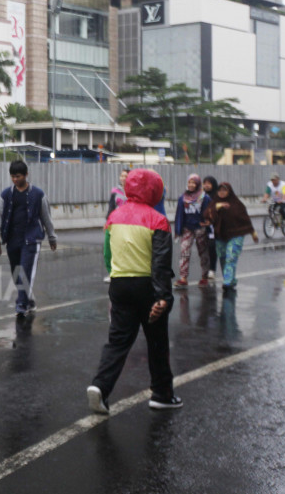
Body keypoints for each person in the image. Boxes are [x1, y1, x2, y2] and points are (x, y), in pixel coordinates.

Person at [87, 168, 182, 415]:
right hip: (147, 286)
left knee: (118, 341)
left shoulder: (114, 217)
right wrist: (163, 297)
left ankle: (100, 386)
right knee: (157, 342)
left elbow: (107, 253)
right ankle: (162, 394)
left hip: (119, 284)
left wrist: (115, 274)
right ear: (154, 190)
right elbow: (160, 264)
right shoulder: (158, 220)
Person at [0, 160, 57, 317]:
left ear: (26, 175)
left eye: (18, 176)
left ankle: (21, 305)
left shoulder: (38, 194)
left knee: (24, 272)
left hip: (31, 240)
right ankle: (29, 300)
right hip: (12, 240)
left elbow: (46, 217)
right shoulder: (6, 195)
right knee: (16, 273)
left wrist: (52, 237)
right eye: (12, 176)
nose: (15, 179)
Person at [205, 183, 259, 290]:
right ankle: (231, 279)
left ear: (229, 191)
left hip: (236, 235)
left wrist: (253, 233)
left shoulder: (237, 204)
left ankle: (227, 281)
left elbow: (245, 220)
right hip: (220, 235)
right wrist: (218, 206)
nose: (222, 192)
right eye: (220, 190)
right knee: (223, 258)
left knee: (230, 257)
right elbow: (206, 214)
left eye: (224, 190)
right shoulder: (214, 203)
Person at [173, 174, 213, 288]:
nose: (191, 185)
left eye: (193, 183)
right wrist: (178, 230)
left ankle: (204, 276)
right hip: (187, 228)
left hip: (200, 228)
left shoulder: (204, 197)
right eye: (189, 182)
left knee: (203, 253)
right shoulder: (183, 198)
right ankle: (183, 278)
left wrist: (209, 227)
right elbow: (179, 214)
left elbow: (210, 213)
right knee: (184, 252)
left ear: (198, 184)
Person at [201, 176, 219, 281]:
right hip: (202, 225)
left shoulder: (217, 196)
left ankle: (212, 269)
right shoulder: (201, 196)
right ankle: (205, 269)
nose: (206, 185)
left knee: (212, 246)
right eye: (205, 183)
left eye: (209, 183)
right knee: (204, 248)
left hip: (213, 226)